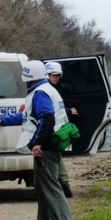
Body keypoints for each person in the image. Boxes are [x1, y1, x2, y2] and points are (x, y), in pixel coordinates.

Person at [0, 60, 76, 220]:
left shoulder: (40, 93)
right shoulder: (46, 89)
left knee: (50, 188)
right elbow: (27, 116)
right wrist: (2, 120)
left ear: (27, 77)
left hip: (47, 146)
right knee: (43, 189)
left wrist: (38, 143)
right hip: (53, 143)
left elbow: (47, 118)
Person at [45, 61, 76, 198]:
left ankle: (63, 184)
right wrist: (69, 111)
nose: (56, 78)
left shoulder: (53, 89)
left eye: (58, 76)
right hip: (51, 128)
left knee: (55, 155)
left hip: (57, 129)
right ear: (47, 75)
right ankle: (63, 183)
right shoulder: (46, 91)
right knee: (55, 156)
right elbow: (51, 111)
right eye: (54, 75)